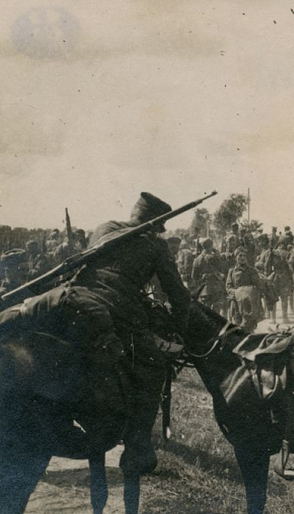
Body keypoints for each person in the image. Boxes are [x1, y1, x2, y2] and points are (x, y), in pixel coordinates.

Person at [70, 192, 191, 475]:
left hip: (75, 300)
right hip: (114, 309)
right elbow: (178, 295)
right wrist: (180, 330)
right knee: (153, 366)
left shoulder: (104, 228)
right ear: (154, 224)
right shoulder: (155, 245)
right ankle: (137, 447)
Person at [226, 246, 263, 332]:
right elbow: (228, 287)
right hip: (236, 303)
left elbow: (258, 286)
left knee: (249, 328)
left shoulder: (251, 270)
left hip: (249, 304)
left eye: (244, 256)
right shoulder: (231, 271)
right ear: (236, 258)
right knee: (237, 326)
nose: (242, 258)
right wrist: (238, 292)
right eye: (240, 256)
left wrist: (246, 292)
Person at [192, 238, 228, 314]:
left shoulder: (197, 260)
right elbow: (223, 268)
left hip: (204, 288)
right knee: (217, 310)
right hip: (216, 287)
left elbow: (194, 276)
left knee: (206, 311)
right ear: (211, 246)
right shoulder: (215, 257)